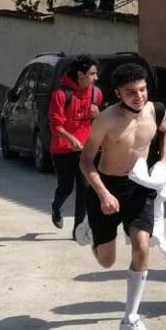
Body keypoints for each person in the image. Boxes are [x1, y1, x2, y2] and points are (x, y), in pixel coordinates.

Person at [79, 63, 166, 330]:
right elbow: (86, 161)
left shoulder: (156, 111)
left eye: (142, 89)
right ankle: (92, 230)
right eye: (131, 92)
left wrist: (163, 163)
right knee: (106, 261)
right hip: (107, 186)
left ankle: (130, 319)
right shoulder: (105, 120)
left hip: (140, 186)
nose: (139, 96)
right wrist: (104, 194)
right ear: (118, 93)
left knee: (142, 245)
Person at [49, 55, 101, 238]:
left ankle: (78, 229)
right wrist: (71, 139)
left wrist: (98, 114)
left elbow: (100, 121)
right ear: (80, 74)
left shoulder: (95, 94)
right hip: (63, 149)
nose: (96, 78)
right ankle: (56, 207)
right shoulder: (61, 95)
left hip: (85, 149)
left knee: (84, 188)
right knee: (66, 187)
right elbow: (55, 125)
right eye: (92, 74)